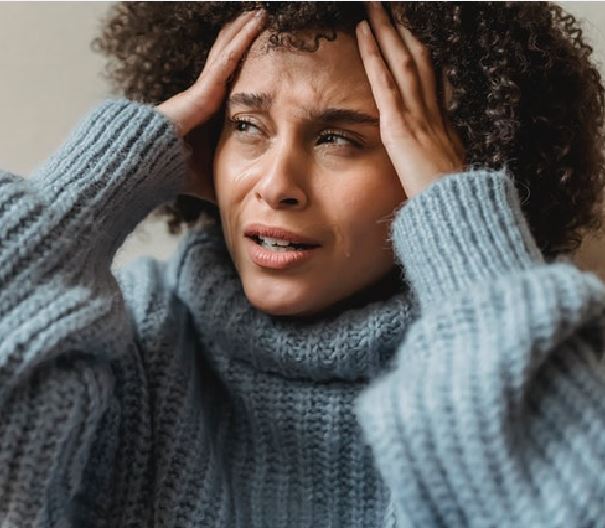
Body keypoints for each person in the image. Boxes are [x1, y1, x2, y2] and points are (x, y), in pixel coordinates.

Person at [1, 1, 605, 526]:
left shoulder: (546, 363)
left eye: (338, 138)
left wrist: (464, 235)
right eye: (246, 126)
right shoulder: (128, 342)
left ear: (440, 161)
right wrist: (80, 200)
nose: (277, 184)